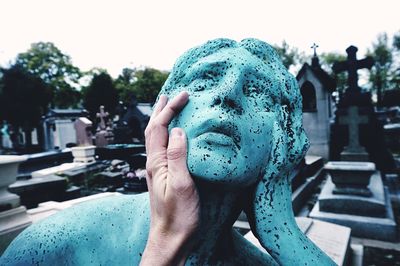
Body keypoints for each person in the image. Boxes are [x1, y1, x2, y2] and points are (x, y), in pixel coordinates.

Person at [1, 38, 335, 265]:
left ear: (282, 143)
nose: (229, 95)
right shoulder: (57, 245)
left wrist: (284, 234)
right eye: (204, 82)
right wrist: (165, 247)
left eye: (257, 92)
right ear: (165, 115)